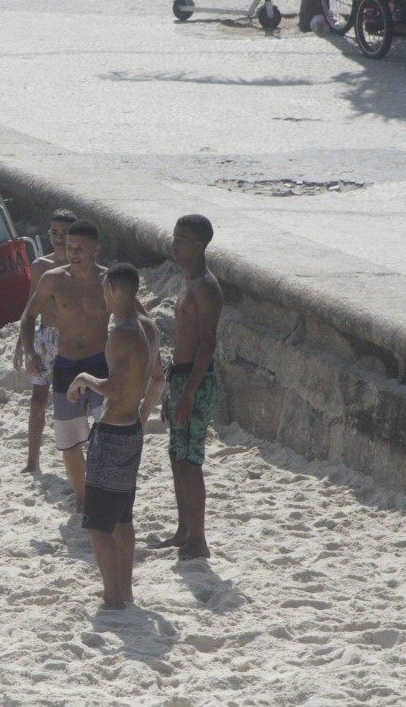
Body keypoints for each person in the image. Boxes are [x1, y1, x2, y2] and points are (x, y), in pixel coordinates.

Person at [67, 264, 163, 609]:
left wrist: (84, 378)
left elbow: (115, 389)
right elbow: (159, 378)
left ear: (115, 291)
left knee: (98, 526)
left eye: (105, 289)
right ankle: (125, 590)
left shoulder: (122, 334)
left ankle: (113, 596)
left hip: (113, 433)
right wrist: (143, 414)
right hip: (132, 429)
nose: (103, 295)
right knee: (123, 518)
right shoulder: (148, 327)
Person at [16, 219, 110, 512]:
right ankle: (82, 497)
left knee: (107, 433)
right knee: (69, 441)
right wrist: (29, 350)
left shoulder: (109, 280)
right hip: (66, 364)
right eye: (70, 248)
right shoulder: (53, 278)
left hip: (99, 363)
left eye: (80, 248)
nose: (73, 253)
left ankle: (103, 490)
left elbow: (137, 318)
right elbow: (29, 315)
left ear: (96, 249)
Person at [157, 215, 223, 560]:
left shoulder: (206, 287)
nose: (175, 245)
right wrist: (173, 389)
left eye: (181, 240)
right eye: (175, 238)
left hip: (196, 380)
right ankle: (184, 530)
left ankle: (198, 537)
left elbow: (207, 343)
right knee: (176, 454)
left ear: (199, 246)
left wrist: (189, 392)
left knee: (190, 459)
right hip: (181, 376)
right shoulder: (188, 281)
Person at [13, 209, 76, 473]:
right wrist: (22, 346)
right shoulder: (41, 266)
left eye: (65, 233)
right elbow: (31, 307)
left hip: (73, 339)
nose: (59, 238)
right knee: (37, 400)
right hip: (45, 339)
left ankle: (75, 462)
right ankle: (32, 461)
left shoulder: (81, 267)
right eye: (55, 232)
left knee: (72, 402)